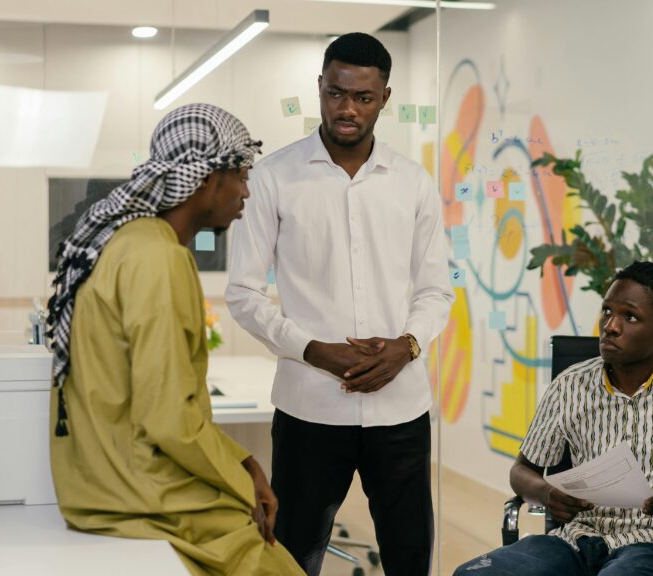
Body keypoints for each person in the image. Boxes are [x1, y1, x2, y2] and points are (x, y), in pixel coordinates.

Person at [226, 32, 454, 576]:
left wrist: (407, 346)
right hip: (309, 407)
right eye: (336, 93)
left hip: (400, 409)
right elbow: (243, 292)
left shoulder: (413, 182)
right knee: (291, 558)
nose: (347, 108)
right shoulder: (273, 177)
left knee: (410, 557)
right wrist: (311, 350)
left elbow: (435, 289)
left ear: (385, 98)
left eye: (363, 97)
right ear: (320, 88)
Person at [46, 103, 303, 576]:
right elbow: (168, 420)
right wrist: (243, 480)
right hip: (140, 495)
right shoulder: (159, 259)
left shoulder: (128, 244)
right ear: (206, 179)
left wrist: (243, 461)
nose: (246, 192)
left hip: (98, 485)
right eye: (241, 175)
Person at [454, 262, 653, 576]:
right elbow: (522, 471)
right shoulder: (571, 385)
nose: (610, 326)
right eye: (607, 311)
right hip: (576, 540)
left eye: (629, 317)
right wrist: (546, 494)